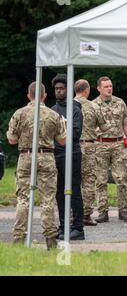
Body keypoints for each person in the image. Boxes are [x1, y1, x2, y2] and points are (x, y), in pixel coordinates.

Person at [7, 82, 66, 250]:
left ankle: (19, 237)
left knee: (23, 198)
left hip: (25, 156)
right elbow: (63, 140)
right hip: (47, 156)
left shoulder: (19, 114)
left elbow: (11, 140)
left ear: (28, 95)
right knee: (48, 199)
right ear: (45, 96)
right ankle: (50, 239)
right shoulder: (53, 115)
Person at [93, 76, 127, 223]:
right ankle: (102, 211)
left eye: (110, 86)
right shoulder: (93, 105)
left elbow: (126, 124)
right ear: (99, 88)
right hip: (100, 145)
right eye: (106, 86)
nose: (109, 89)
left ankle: (123, 211)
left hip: (118, 144)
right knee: (101, 180)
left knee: (122, 178)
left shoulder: (120, 103)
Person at [51, 74, 85, 240]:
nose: (59, 91)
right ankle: (63, 226)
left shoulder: (75, 109)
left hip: (72, 153)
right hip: (56, 155)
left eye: (62, 88)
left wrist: (61, 134)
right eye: (56, 89)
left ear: (68, 89)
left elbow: (76, 134)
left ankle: (78, 228)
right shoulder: (52, 111)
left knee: (73, 191)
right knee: (59, 192)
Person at [74, 79, 110, 226]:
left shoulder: (68, 105)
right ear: (87, 90)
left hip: (72, 146)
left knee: (73, 180)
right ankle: (86, 215)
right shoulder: (93, 106)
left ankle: (72, 214)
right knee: (88, 181)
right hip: (88, 146)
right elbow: (105, 127)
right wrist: (93, 131)